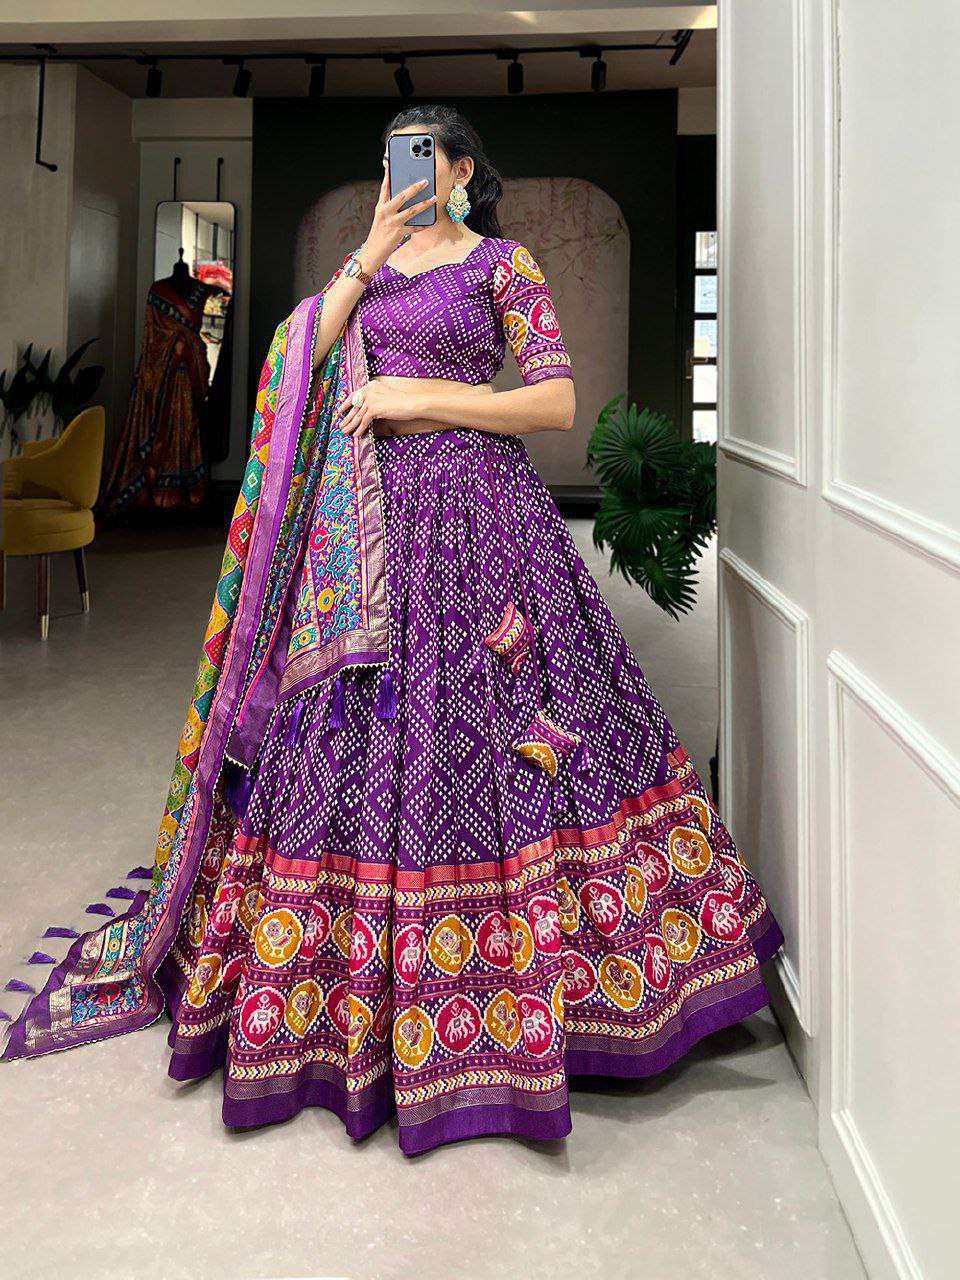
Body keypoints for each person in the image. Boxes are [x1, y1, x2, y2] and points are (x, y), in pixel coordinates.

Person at [1, 105, 782, 1157]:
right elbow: (294, 364)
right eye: (388, 158)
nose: (401, 173)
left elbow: (554, 402)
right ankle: (342, 995)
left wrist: (428, 396)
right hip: (359, 544)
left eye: (420, 156)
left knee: (510, 732)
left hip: (486, 526)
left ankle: (557, 995)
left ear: (460, 171)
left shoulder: (503, 263)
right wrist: (366, 254)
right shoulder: (361, 272)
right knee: (354, 742)